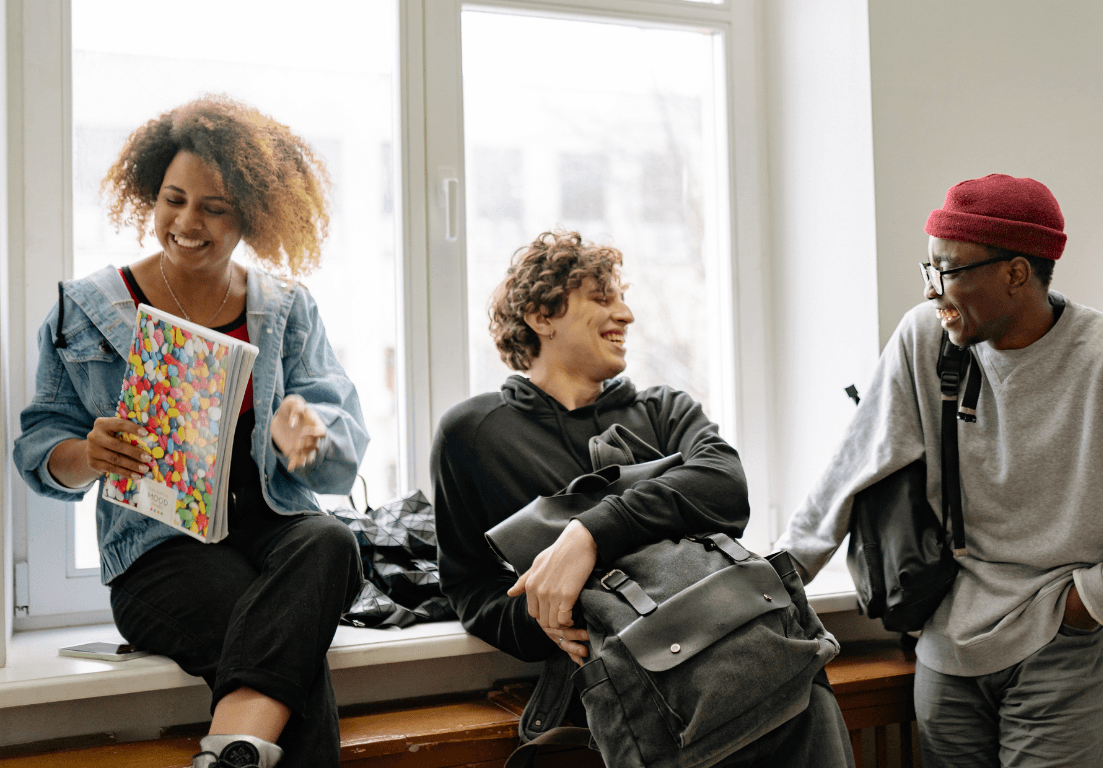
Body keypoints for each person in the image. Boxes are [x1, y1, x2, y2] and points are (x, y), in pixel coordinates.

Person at [777, 174, 1103, 767]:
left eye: (947, 272)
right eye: (929, 270)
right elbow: (853, 467)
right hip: (946, 644)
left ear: (1016, 274)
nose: (931, 291)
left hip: (1063, 644)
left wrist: (1096, 598)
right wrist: (773, 586)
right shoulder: (927, 339)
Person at [12, 96, 367, 768]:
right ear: (151, 192)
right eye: (173, 199)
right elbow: (38, 448)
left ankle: (231, 751)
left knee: (330, 538)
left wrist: (311, 434)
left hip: (277, 536)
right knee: (281, 646)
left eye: (214, 207)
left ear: (252, 217)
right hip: (160, 555)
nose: (186, 222)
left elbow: (338, 446)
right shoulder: (84, 314)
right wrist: (88, 454)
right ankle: (236, 748)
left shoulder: (288, 310)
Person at [432, 230, 855, 766]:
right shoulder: (472, 434)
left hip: (766, 667)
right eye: (603, 298)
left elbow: (725, 485)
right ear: (541, 315)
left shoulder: (663, 411)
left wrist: (588, 534)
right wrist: (550, 619)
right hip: (635, 705)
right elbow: (470, 586)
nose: (626, 314)